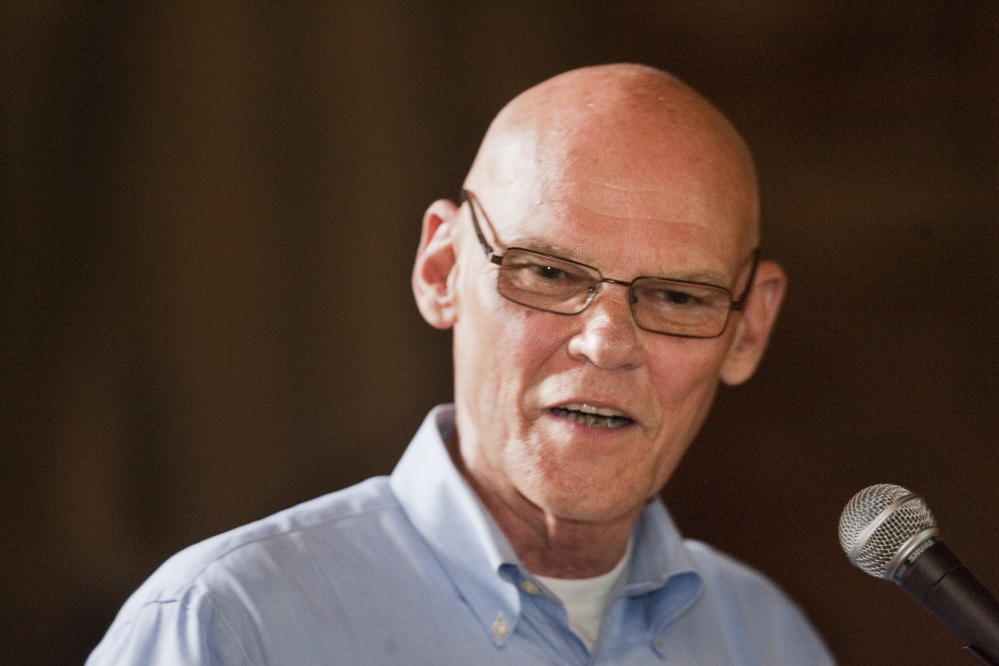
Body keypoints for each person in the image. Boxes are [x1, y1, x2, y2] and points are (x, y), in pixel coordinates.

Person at [87, 64, 834, 665]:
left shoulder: (765, 640)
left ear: (748, 328)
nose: (606, 343)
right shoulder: (229, 626)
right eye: (546, 273)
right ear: (441, 270)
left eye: (676, 294)